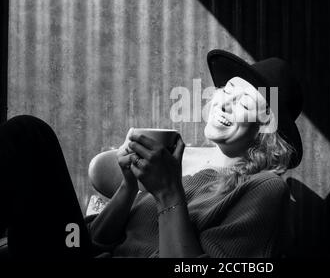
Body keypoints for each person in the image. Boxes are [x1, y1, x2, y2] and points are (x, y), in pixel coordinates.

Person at [0, 49, 303, 258]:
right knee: (28, 135)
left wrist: (169, 193)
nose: (223, 103)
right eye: (226, 90)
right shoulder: (174, 160)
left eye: (244, 102)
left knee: (29, 136)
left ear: (266, 127)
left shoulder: (263, 189)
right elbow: (96, 240)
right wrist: (129, 186)